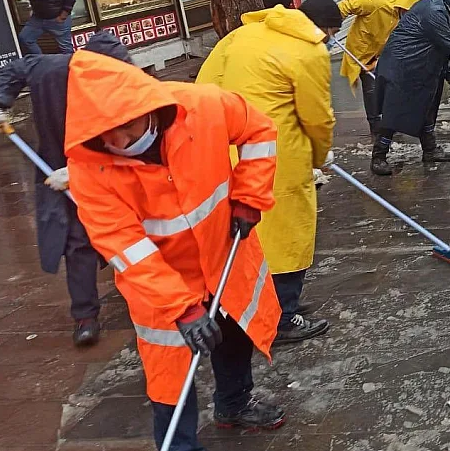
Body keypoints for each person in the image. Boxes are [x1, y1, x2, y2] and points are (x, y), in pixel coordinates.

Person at [64, 51, 285, 450]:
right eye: (105, 134)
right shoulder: (89, 169)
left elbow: (259, 131)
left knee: (233, 332)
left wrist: (249, 197)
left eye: (125, 126)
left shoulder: (203, 106)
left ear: (147, 107)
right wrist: (181, 306)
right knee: (170, 373)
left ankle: (233, 404)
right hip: (158, 281)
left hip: (222, 252)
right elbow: (124, 245)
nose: (118, 142)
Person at [196, 0, 339, 345]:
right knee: (288, 237)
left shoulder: (242, 35)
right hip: (276, 155)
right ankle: (283, 317)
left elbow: (203, 87)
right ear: (320, 28)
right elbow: (317, 117)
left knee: (242, 237)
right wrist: (320, 157)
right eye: (332, 33)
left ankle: (253, 305)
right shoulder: (309, 51)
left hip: (222, 149)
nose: (330, 40)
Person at [0, 31, 130, 347]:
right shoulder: (51, 68)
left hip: (113, 169)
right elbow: (15, 69)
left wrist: (84, 171)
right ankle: (85, 317)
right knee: (77, 242)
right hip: (55, 166)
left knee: (130, 232)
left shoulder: (121, 86)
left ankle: (145, 292)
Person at [371, 0, 450, 176]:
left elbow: (439, 45)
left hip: (421, 67)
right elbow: (449, 43)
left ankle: (430, 149)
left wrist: (449, 69)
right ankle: (379, 156)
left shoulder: (441, 8)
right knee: (395, 112)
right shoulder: (433, 11)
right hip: (403, 67)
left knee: (427, 106)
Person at [338, 0, 427, 135]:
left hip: (385, 53)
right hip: (364, 53)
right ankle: (375, 124)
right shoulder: (379, 2)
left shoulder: (408, 19)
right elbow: (346, 5)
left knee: (393, 85)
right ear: (406, 7)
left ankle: (393, 121)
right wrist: (331, 25)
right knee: (371, 88)